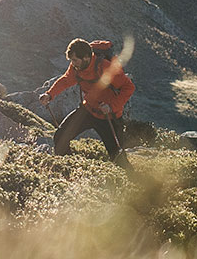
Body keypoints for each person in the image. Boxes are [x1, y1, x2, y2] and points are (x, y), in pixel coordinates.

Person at [40, 38, 134, 166]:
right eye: (72, 61)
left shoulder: (106, 67)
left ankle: (133, 183)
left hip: (108, 117)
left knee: (117, 157)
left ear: (86, 58)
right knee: (60, 138)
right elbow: (67, 80)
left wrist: (111, 106)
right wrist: (49, 95)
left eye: (75, 60)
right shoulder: (76, 67)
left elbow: (128, 88)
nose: (73, 64)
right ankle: (69, 170)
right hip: (87, 110)